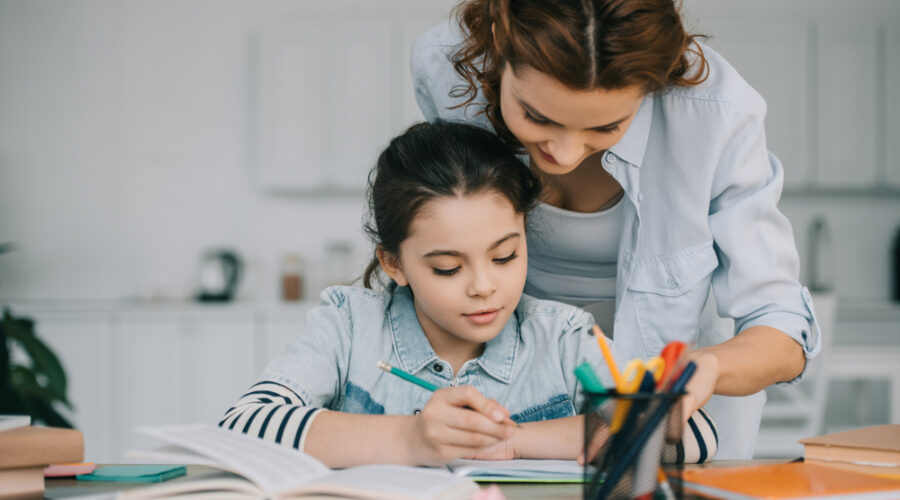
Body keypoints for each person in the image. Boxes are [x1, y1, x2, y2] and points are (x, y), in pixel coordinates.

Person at [411, 0, 822, 459]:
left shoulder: (717, 117)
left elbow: (781, 328)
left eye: (607, 126)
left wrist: (704, 368)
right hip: (512, 404)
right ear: (498, 46)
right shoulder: (445, 70)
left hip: (677, 426)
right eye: (537, 117)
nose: (565, 155)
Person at [220, 121, 627, 468]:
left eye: (505, 256)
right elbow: (242, 426)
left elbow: (682, 426)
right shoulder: (349, 326)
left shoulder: (562, 338)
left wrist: (514, 440)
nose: (483, 286)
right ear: (394, 264)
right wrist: (410, 438)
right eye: (448, 268)